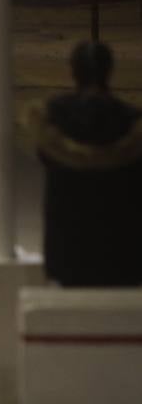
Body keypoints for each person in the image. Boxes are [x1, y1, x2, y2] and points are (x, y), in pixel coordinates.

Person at [26, 41, 142, 287]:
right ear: (109, 71)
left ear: (73, 71)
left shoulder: (53, 118)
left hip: (67, 253)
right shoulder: (130, 122)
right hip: (122, 254)